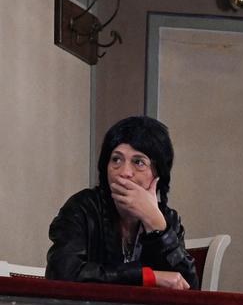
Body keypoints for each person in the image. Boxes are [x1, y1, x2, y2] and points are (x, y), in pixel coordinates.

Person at [47, 116, 197, 289]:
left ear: (158, 174)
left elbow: (188, 288)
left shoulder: (167, 219)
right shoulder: (82, 207)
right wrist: (146, 277)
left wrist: (158, 228)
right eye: (116, 159)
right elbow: (62, 273)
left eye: (138, 162)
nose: (124, 172)